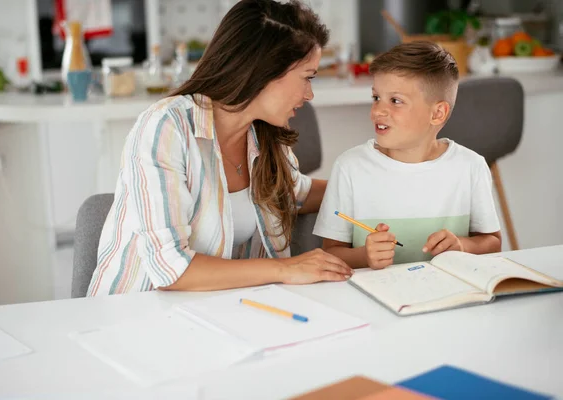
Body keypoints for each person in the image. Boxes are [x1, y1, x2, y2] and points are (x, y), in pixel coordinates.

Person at [87, 0, 353, 295]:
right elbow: (171, 269)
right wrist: (287, 269)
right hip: (136, 318)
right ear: (265, 69)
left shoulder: (264, 136)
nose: (309, 94)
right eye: (307, 77)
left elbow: (296, 193)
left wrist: (373, 184)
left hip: (212, 315)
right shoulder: (167, 127)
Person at [313, 41, 502, 270]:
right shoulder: (350, 167)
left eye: (395, 101)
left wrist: (461, 246)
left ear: (437, 113)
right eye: (376, 98)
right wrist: (365, 255)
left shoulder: (471, 167)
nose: (378, 111)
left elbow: (493, 242)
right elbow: (330, 253)